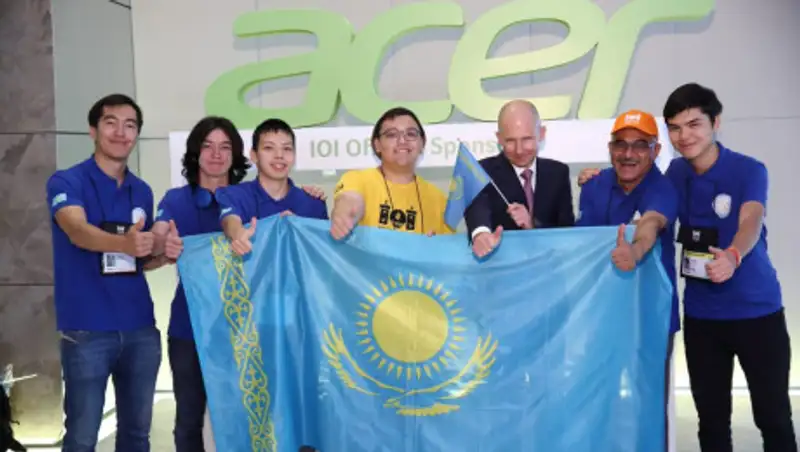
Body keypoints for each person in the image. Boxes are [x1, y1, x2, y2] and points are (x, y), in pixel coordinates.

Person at [579, 84, 797, 451]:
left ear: (715, 122)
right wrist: (597, 178)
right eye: (676, 128)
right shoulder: (675, 174)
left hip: (757, 312)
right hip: (702, 318)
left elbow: (751, 219)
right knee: (711, 423)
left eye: (694, 124)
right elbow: (652, 217)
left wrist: (733, 255)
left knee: (773, 416)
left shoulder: (748, 170)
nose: (685, 136)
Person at [46, 94, 181, 451]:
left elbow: (137, 260)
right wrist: (124, 244)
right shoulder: (67, 181)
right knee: (82, 437)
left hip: (140, 328)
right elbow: (77, 231)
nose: (121, 133)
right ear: (93, 130)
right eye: (111, 123)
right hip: (86, 329)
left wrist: (162, 256)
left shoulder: (142, 190)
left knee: (137, 436)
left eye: (130, 125)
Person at [575, 109, 679, 451]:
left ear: (655, 151)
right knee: (593, 398)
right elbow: (578, 242)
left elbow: (651, 223)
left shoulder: (663, 188)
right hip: (599, 314)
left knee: (648, 403)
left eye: (640, 145)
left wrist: (635, 250)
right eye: (621, 144)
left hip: (649, 316)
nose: (629, 153)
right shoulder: (594, 185)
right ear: (610, 149)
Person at [149, 116, 250, 452]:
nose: (216, 154)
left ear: (235, 155)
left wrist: (309, 194)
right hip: (188, 328)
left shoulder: (248, 198)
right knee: (188, 420)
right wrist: (161, 246)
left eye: (225, 147)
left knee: (243, 418)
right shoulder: (176, 200)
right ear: (195, 152)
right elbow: (157, 236)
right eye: (208, 146)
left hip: (241, 329)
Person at [465, 99, 574, 258]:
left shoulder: (558, 172)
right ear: (499, 138)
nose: (519, 150)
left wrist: (532, 225)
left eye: (526, 139)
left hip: (549, 267)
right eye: (510, 141)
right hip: (502, 268)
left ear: (541, 133)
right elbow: (477, 208)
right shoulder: (481, 171)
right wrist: (481, 233)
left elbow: (567, 232)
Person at [330, 107, 454, 239]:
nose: (402, 141)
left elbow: (448, 246)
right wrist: (345, 217)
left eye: (411, 134)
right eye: (392, 135)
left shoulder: (438, 199)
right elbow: (349, 201)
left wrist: (435, 247)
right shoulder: (357, 179)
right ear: (377, 145)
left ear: (422, 143)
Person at [218, 118, 328, 255]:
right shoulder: (234, 195)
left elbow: (324, 254)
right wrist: (238, 234)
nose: (279, 155)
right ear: (254, 155)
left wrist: (300, 229)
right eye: (269, 148)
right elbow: (230, 221)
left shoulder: (313, 204)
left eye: (287, 148)